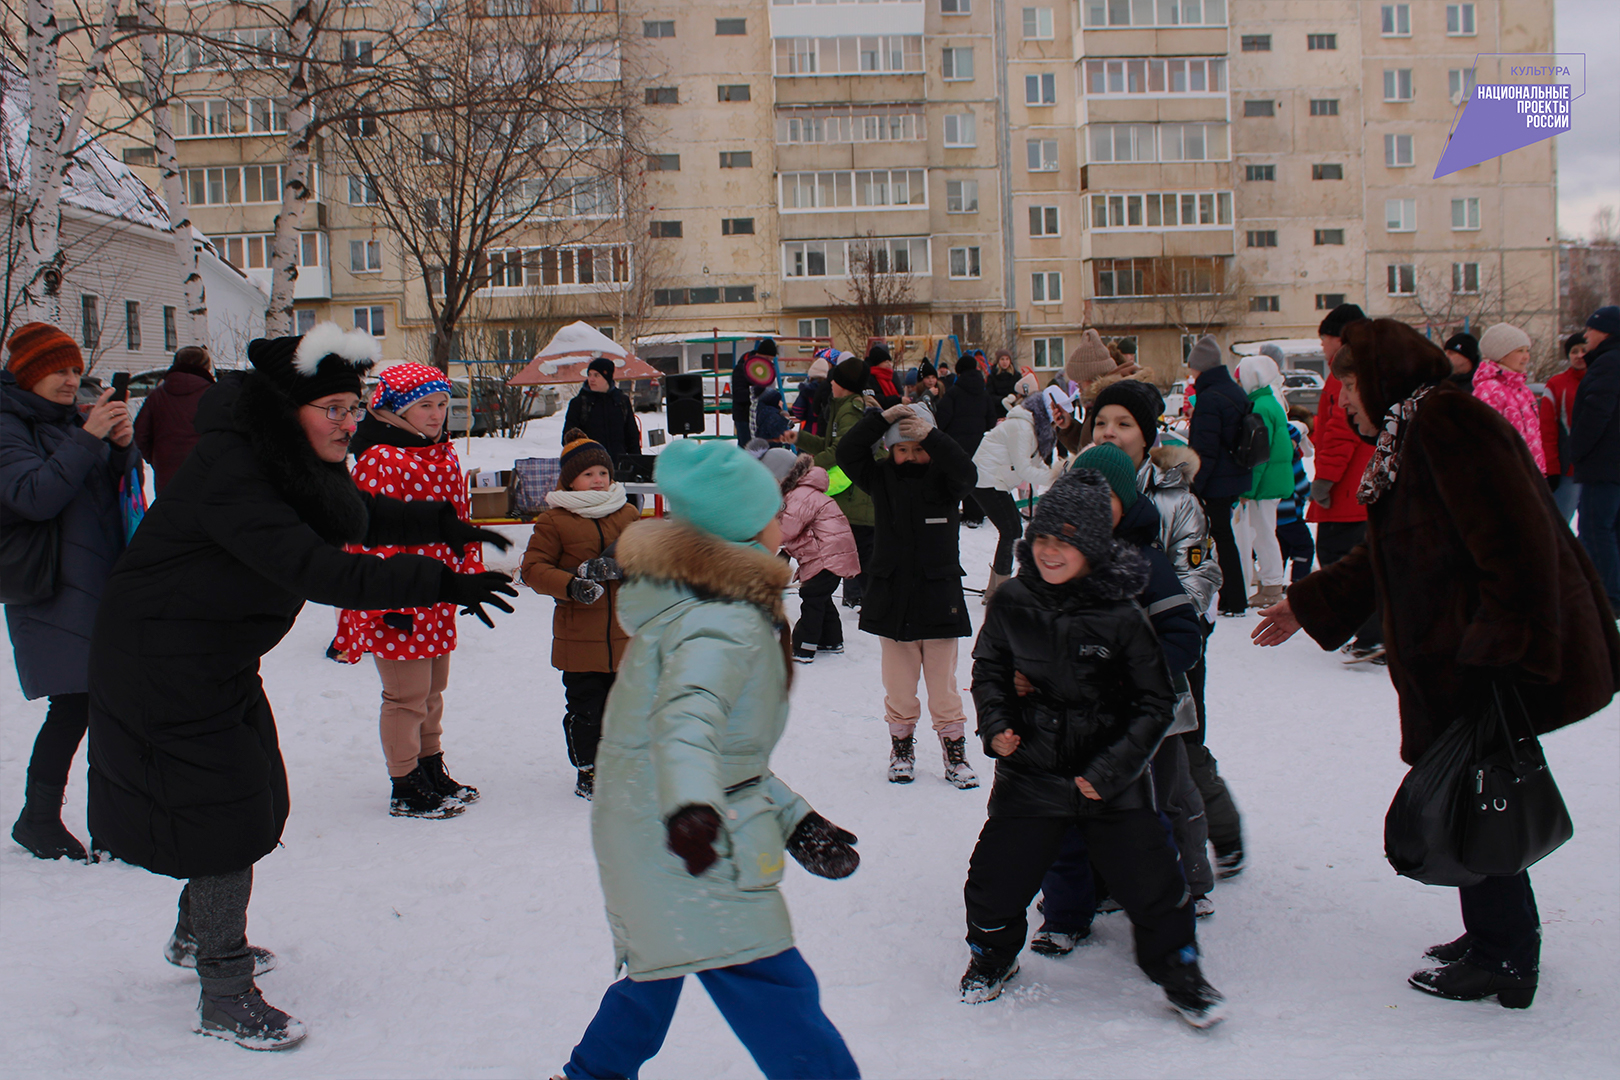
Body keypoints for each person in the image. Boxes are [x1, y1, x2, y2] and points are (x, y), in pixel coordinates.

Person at [85, 324, 516, 1050]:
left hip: (212, 654)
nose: (351, 423)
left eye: (357, 407)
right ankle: (221, 988)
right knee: (227, 813)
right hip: (162, 660)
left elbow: (357, 512)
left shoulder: (286, 459)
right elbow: (325, 571)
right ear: (287, 410)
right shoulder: (234, 471)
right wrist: (438, 578)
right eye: (335, 409)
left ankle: (198, 934)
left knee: (258, 794)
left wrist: (448, 525)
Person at [1254, 317, 1620, 1010]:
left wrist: (1497, 657)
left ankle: (1506, 955)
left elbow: (1519, 543)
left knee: (1480, 794)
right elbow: (1390, 551)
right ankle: (1489, 932)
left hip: (1481, 656)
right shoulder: (1410, 434)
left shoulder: (1449, 425)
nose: (1345, 399)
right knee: (1467, 791)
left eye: (1352, 383)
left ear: (1384, 376)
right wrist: (1310, 604)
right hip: (1455, 655)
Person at [560, 438, 861, 1080]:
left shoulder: (714, 605)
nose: (782, 517)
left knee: (661, 965)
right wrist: (693, 811)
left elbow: (729, 753)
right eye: (773, 508)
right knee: (773, 985)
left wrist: (796, 820)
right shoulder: (723, 619)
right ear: (749, 526)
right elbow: (687, 723)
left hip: (657, 822)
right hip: (683, 833)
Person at [961, 467, 1224, 1027]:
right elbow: (989, 668)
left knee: (1153, 883)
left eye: (1068, 542)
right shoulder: (1011, 601)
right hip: (1031, 769)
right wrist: (997, 724)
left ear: (1094, 547)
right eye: (1044, 539)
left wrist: (1110, 769)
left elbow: (1156, 702)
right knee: (995, 879)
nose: (1052, 552)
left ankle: (1180, 970)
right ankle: (990, 956)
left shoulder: (1123, 614)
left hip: (1110, 776)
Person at [1032, 444, 1211, 954]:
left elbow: (1182, 634)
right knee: (1062, 822)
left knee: (1138, 825)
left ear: (1125, 502)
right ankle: (1066, 914)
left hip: (1128, 724)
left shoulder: (1144, 562)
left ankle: (1163, 914)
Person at [1090, 377, 1244, 876]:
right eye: (1101, 423)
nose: (1109, 433)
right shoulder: (1082, 484)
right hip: (1100, 654)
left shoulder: (1175, 499)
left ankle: (1217, 834)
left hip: (1168, 648)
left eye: (1123, 424)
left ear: (1148, 435)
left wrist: (1173, 625)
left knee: (1180, 753)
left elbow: (1199, 569)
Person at [1, 322, 137, 861]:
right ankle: (39, 818)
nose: (70, 379)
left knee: (102, 702)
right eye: (58, 370)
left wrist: (123, 447)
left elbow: (102, 486)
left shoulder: (64, 421)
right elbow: (34, 496)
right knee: (75, 702)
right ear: (29, 372)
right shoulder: (8, 425)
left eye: (76, 370)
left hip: (96, 577)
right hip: (53, 584)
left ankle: (103, 820)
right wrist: (89, 438)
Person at [333, 362, 485, 818]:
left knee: (433, 690)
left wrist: (468, 574)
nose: (437, 414)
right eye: (425, 406)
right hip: (397, 599)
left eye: (442, 404)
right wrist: (385, 602)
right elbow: (368, 535)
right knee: (405, 695)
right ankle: (405, 783)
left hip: (436, 593)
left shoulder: (441, 453)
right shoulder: (381, 459)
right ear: (396, 409)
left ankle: (429, 765)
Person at [838, 402, 979, 788]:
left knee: (944, 687)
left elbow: (968, 472)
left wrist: (932, 434)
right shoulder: (879, 478)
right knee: (898, 687)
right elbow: (847, 452)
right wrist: (881, 420)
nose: (912, 456)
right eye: (903, 449)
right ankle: (901, 748)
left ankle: (955, 752)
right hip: (892, 597)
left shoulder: (947, 481)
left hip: (939, 598)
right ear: (889, 450)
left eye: (919, 448)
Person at [521, 430, 642, 801]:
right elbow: (532, 569)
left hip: (625, 635)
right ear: (570, 479)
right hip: (579, 638)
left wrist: (630, 567)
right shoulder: (554, 521)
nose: (598, 480)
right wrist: (574, 583)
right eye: (589, 474)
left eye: (603, 473)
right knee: (587, 709)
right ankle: (589, 770)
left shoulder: (627, 512)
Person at [1309, 303, 1382, 663]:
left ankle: (1374, 634)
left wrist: (1324, 480)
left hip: (1347, 489)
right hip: (1362, 484)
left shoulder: (1345, 373)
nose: (1322, 349)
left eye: (1324, 341)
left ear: (1339, 337)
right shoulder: (1369, 365)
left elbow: (1340, 430)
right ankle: (1373, 632)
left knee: (1339, 560)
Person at [971, 383, 1076, 602]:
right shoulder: (1022, 427)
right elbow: (1024, 468)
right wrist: (1056, 477)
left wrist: (1054, 475)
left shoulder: (1035, 427)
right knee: (1011, 531)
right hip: (986, 479)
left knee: (1011, 531)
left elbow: (1034, 465)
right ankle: (998, 591)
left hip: (993, 479)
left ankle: (995, 589)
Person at [793, 354, 877, 608]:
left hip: (856, 500)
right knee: (854, 560)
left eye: (834, 380)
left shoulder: (850, 412)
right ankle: (869, 606)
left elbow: (841, 452)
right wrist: (797, 439)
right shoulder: (842, 407)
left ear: (844, 384)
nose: (830, 384)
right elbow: (829, 445)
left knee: (853, 560)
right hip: (851, 498)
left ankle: (876, 608)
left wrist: (803, 467)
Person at [1183, 334, 1251, 617]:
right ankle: (1232, 597)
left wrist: (1194, 485)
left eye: (1193, 368)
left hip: (1215, 483)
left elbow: (1205, 450)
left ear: (1201, 367)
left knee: (1218, 539)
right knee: (1223, 538)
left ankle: (1233, 599)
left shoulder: (1211, 398)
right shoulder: (1233, 390)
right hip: (1232, 476)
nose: (1191, 374)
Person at [774, 449, 862, 664]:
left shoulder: (799, 495)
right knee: (821, 598)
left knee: (812, 599)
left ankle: (804, 647)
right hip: (833, 555)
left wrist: (768, 537)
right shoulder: (807, 492)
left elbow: (788, 528)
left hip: (825, 556)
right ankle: (831, 640)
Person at [1232, 350, 1293, 610]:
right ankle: (1271, 583)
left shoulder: (1259, 407)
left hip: (1265, 484)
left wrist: (1248, 488)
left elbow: (1258, 454)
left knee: (1264, 534)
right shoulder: (1270, 402)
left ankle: (1271, 586)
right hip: (1273, 480)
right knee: (1266, 532)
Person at [1571, 305, 1620, 609]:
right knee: (1611, 529)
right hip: (1613, 465)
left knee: (1594, 528)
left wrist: (1577, 449)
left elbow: (1597, 411)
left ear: (1605, 332)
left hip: (1604, 465)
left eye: (1590, 329)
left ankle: (1608, 599)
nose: (1586, 335)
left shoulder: (1609, 363)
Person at [132, 344, 212, 495]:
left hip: (167, 479)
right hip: (206, 476)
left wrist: (158, 459)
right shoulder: (214, 394)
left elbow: (140, 436)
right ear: (205, 366)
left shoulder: (157, 395)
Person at [1472, 323, 1546, 473]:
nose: (1526, 357)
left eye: (1527, 350)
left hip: (1531, 472)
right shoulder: (1488, 390)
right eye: (1520, 351)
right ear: (1502, 355)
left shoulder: (1523, 390)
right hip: (1506, 474)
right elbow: (1485, 436)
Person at [936, 353, 994, 526]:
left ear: (959, 373)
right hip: (978, 442)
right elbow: (991, 419)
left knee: (956, 477)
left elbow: (942, 418)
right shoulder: (984, 393)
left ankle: (953, 511)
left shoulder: (953, 394)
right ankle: (975, 513)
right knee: (975, 476)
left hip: (956, 443)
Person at [1540, 331, 1587, 523]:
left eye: (1584, 350)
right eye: (1574, 351)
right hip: (1568, 471)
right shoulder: (1557, 384)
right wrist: (1552, 468)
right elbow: (1547, 430)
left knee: (1596, 527)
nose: (1579, 355)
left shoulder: (1606, 381)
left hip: (1599, 470)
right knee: (1560, 524)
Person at [561, 356, 640, 462]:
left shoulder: (621, 401)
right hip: (589, 466)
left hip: (619, 466)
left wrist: (637, 465)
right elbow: (568, 438)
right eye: (589, 375)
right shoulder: (579, 403)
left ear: (607, 377)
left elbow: (632, 437)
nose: (591, 379)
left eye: (596, 375)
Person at [1276, 409, 1317, 583]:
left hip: (1275, 514)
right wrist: (1311, 492)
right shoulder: (1291, 459)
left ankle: (1274, 582)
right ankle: (1299, 581)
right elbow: (1301, 486)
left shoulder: (1272, 457)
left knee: (1281, 549)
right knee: (1305, 547)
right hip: (1290, 514)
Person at [730, 337, 779, 445]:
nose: (768, 362)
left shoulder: (768, 371)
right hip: (744, 417)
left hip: (761, 416)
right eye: (766, 357)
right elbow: (738, 395)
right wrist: (757, 390)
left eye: (771, 359)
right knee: (747, 449)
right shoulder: (742, 368)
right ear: (758, 354)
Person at [791, 351, 834, 438]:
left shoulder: (806, 390)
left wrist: (805, 416)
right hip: (827, 427)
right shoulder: (831, 389)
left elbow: (798, 409)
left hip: (810, 427)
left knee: (809, 448)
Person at [987, 351, 1020, 420]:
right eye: (1002, 359)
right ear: (998, 361)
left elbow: (1020, 392)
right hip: (997, 413)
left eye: (1007, 359)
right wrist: (1002, 400)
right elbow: (989, 395)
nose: (1005, 362)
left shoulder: (1016, 376)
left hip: (1014, 412)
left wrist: (1014, 397)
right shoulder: (992, 377)